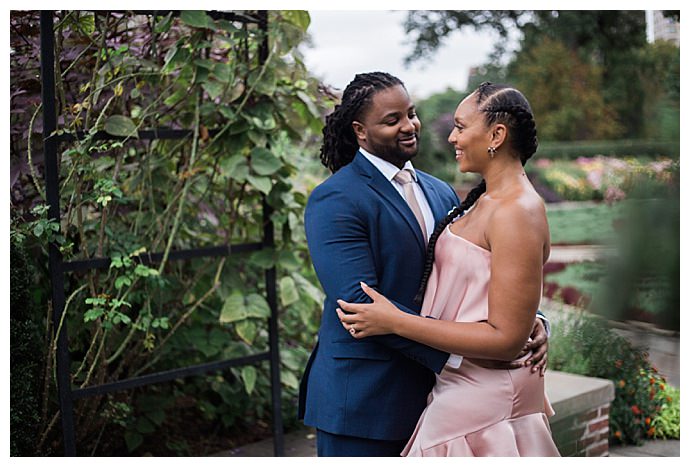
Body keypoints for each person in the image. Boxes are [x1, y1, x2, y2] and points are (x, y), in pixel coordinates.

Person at [298, 73, 549, 457]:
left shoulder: (441, 191)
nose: (409, 126)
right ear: (359, 131)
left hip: (439, 396)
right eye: (392, 119)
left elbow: (477, 274)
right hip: (366, 399)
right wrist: (481, 351)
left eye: (411, 113)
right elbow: (359, 304)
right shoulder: (335, 199)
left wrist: (528, 322)